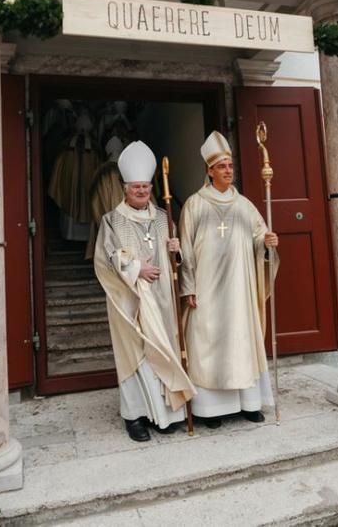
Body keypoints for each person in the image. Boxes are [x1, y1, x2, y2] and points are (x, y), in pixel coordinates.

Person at [93, 141, 196, 442]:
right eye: (135, 187)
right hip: (131, 301)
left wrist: (176, 251)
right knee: (136, 356)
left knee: (164, 349)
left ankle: (168, 413)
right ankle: (135, 417)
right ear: (125, 188)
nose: (141, 191)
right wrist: (137, 269)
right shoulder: (111, 220)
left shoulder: (164, 217)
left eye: (145, 186)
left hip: (162, 298)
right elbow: (107, 257)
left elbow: (178, 262)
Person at [179, 131, 279, 427]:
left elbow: (258, 236)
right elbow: (185, 250)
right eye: (222, 166)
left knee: (241, 339)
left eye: (230, 166)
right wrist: (188, 287)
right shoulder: (194, 205)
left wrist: (266, 242)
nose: (228, 171)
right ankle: (211, 410)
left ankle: (249, 404)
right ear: (209, 171)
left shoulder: (244, 205)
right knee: (207, 342)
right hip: (207, 287)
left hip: (240, 288)